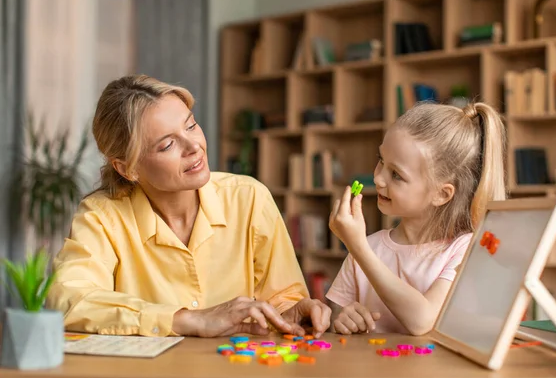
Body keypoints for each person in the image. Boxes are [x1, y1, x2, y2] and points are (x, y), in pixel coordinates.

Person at [46, 75, 331, 338]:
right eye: (167, 145)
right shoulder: (102, 216)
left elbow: (284, 299)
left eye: (191, 125)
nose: (193, 145)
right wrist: (189, 320)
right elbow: (69, 298)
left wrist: (289, 313)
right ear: (127, 168)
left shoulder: (250, 199)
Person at [327, 101, 506, 335]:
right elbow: (334, 321)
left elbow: (422, 320)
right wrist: (342, 320)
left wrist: (358, 247)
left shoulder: (463, 249)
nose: (379, 179)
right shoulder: (366, 247)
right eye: (381, 160)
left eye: (396, 175)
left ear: (441, 194)